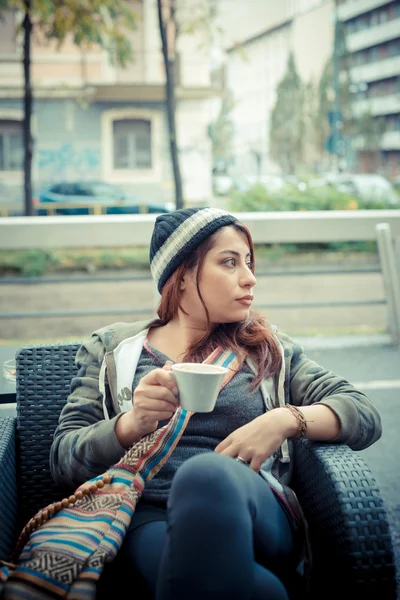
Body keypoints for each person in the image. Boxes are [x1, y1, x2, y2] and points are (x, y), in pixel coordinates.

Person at [50, 207, 382, 600]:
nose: (250, 277)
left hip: (254, 508)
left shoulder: (265, 348)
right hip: (146, 514)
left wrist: (283, 419)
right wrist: (131, 423)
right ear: (183, 275)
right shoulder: (113, 351)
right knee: (256, 591)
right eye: (229, 262)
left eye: (249, 262)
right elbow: (62, 460)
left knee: (207, 474)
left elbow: (362, 413)